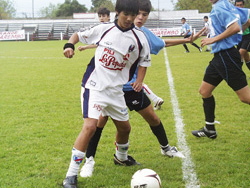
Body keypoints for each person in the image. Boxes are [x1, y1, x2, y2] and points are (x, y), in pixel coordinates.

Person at [79, 0, 206, 178]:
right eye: (136, 14)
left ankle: (165, 149)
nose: (138, 18)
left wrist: (187, 40)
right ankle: (89, 161)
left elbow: (163, 43)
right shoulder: (115, 28)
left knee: (152, 118)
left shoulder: (143, 34)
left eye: (143, 15)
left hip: (131, 88)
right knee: (98, 124)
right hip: (107, 88)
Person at [62, 0, 151, 187]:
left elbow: (144, 61)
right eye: (125, 14)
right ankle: (71, 175)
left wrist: (139, 80)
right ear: (117, 12)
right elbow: (78, 34)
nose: (129, 19)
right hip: (94, 86)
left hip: (116, 90)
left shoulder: (140, 38)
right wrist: (69, 46)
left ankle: (121, 158)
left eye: (133, 15)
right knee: (90, 127)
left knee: (125, 128)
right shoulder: (104, 29)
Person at [78, 9, 164, 110]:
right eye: (100, 16)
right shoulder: (105, 29)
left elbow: (159, 46)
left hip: (123, 80)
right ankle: (156, 99)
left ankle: (156, 99)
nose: (101, 18)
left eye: (104, 16)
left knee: (145, 115)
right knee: (102, 117)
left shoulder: (139, 34)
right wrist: (83, 47)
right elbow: (96, 42)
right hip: (108, 82)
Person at [191, 0, 250, 139]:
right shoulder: (227, 5)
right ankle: (209, 129)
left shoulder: (219, 7)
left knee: (246, 97)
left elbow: (235, 27)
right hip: (220, 57)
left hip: (227, 56)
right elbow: (246, 19)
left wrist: (213, 39)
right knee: (204, 91)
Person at [235, 0, 250, 71]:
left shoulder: (247, 13)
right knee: (246, 57)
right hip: (239, 37)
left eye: (241, 5)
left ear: (243, 5)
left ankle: (238, 73)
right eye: (237, 5)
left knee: (240, 53)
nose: (239, 7)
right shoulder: (233, 14)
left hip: (248, 36)